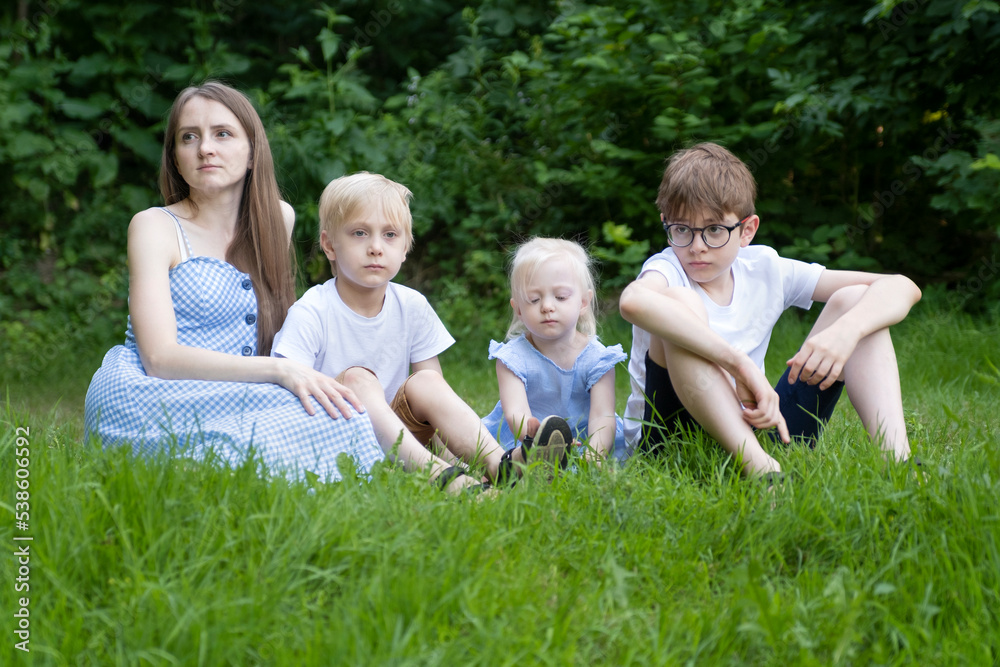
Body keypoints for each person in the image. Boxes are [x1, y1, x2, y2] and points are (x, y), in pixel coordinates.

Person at [84, 81, 391, 485]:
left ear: (252, 152)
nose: (204, 148)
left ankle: (211, 463)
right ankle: (210, 461)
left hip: (236, 392)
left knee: (341, 414)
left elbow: (282, 328)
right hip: (150, 392)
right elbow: (158, 358)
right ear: (175, 158)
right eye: (188, 137)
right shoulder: (154, 226)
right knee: (327, 422)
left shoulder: (277, 218)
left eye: (222, 134)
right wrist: (279, 374)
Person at [619, 142, 922, 481]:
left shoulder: (764, 267)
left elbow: (902, 286)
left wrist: (846, 331)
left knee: (856, 302)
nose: (697, 246)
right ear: (666, 224)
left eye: (714, 229)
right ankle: (761, 471)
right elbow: (633, 301)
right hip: (670, 441)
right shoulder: (667, 268)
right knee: (680, 304)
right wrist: (739, 364)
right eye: (681, 230)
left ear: (746, 230)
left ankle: (898, 463)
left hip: (759, 424)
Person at [272, 172, 570, 491]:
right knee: (359, 379)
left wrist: (451, 454)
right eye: (360, 233)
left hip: (405, 443)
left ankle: (504, 466)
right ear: (329, 245)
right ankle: (444, 480)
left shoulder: (412, 305)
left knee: (427, 380)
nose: (375, 247)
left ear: (405, 247)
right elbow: (287, 391)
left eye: (389, 235)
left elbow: (433, 402)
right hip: (335, 439)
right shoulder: (313, 310)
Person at [482, 238, 629, 463]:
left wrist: (594, 455)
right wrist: (533, 436)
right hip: (527, 442)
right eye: (533, 299)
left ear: (582, 302)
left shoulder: (597, 358)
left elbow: (602, 416)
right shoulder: (512, 358)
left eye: (560, 297)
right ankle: (541, 457)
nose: (547, 306)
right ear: (518, 309)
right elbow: (515, 412)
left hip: (586, 439)